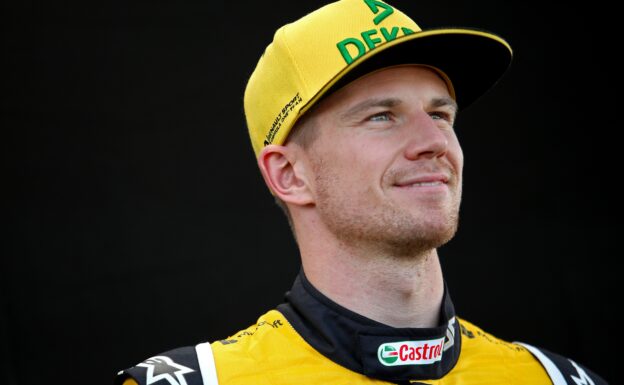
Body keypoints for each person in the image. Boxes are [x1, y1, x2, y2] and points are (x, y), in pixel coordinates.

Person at [115, 0, 607, 384]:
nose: (436, 143)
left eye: (440, 114)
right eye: (381, 116)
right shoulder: (202, 381)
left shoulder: (555, 379)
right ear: (290, 175)